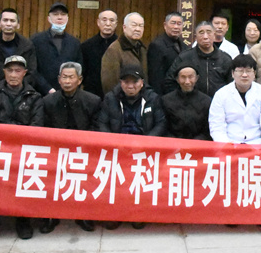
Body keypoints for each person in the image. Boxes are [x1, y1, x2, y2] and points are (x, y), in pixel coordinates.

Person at [0, 55, 43, 241]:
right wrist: (2, 136)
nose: (14, 75)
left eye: (18, 70)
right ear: (4, 72)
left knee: (25, 179)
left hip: (23, 149)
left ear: (24, 73)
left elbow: (37, 126)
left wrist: (17, 137)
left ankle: (23, 221)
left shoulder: (34, 96)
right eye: (10, 70)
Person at [99, 64, 165, 230]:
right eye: (126, 82)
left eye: (134, 82)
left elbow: (161, 123)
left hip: (144, 149)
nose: (130, 86)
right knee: (115, 183)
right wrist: (114, 144)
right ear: (120, 82)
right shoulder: (110, 98)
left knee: (140, 182)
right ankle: (114, 213)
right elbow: (102, 123)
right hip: (117, 149)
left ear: (142, 82)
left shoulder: (152, 98)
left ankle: (137, 212)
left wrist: (146, 143)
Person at [41, 62, 101, 234]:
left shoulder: (93, 101)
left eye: (71, 77)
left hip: (84, 149)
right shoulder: (48, 101)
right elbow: (42, 129)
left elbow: (97, 129)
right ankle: (49, 216)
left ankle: (83, 215)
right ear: (59, 80)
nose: (67, 81)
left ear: (79, 80)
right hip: (55, 150)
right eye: (64, 77)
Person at [209, 55, 261, 144]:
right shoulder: (221, 94)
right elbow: (216, 125)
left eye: (248, 71)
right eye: (240, 71)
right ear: (233, 73)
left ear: (254, 73)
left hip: (257, 143)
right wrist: (226, 145)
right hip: (230, 142)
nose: (244, 75)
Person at [164, 21, 232, 97]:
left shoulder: (225, 58)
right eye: (201, 33)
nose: (205, 37)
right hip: (191, 101)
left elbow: (232, 84)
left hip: (218, 102)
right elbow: (170, 81)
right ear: (195, 37)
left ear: (214, 35)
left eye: (209, 32)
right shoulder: (185, 57)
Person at [0, 8, 38, 91]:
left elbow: (32, 72)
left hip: (22, 93)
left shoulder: (27, 45)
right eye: (5, 20)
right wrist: (3, 90)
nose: (8, 24)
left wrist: (19, 89)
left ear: (18, 25)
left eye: (12, 21)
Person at [31, 2, 82, 94]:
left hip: (68, 93)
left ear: (67, 18)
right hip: (41, 94)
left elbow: (79, 68)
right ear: (49, 18)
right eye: (55, 14)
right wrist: (47, 89)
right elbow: (33, 69)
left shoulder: (74, 43)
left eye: (63, 14)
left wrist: (71, 87)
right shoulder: (36, 40)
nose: (59, 17)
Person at [161, 63, 212, 140]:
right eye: (183, 77)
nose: (187, 82)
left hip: (199, 144)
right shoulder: (166, 100)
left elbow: (208, 129)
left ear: (197, 78)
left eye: (190, 77)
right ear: (177, 79)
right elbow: (163, 127)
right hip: (173, 143)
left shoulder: (206, 101)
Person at [101, 12, 147, 95]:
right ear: (124, 27)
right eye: (134, 25)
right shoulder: (114, 50)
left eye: (141, 26)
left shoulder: (142, 48)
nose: (137, 29)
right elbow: (110, 83)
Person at [80, 9, 118, 98]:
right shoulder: (87, 46)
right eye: (104, 20)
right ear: (98, 22)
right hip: (91, 94)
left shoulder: (121, 46)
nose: (108, 24)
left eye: (112, 20)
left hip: (116, 94)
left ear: (116, 24)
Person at [147, 12, 184, 94]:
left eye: (179, 24)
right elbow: (155, 77)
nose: (176, 27)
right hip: (164, 93)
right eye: (173, 23)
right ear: (165, 25)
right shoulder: (157, 45)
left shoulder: (184, 46)